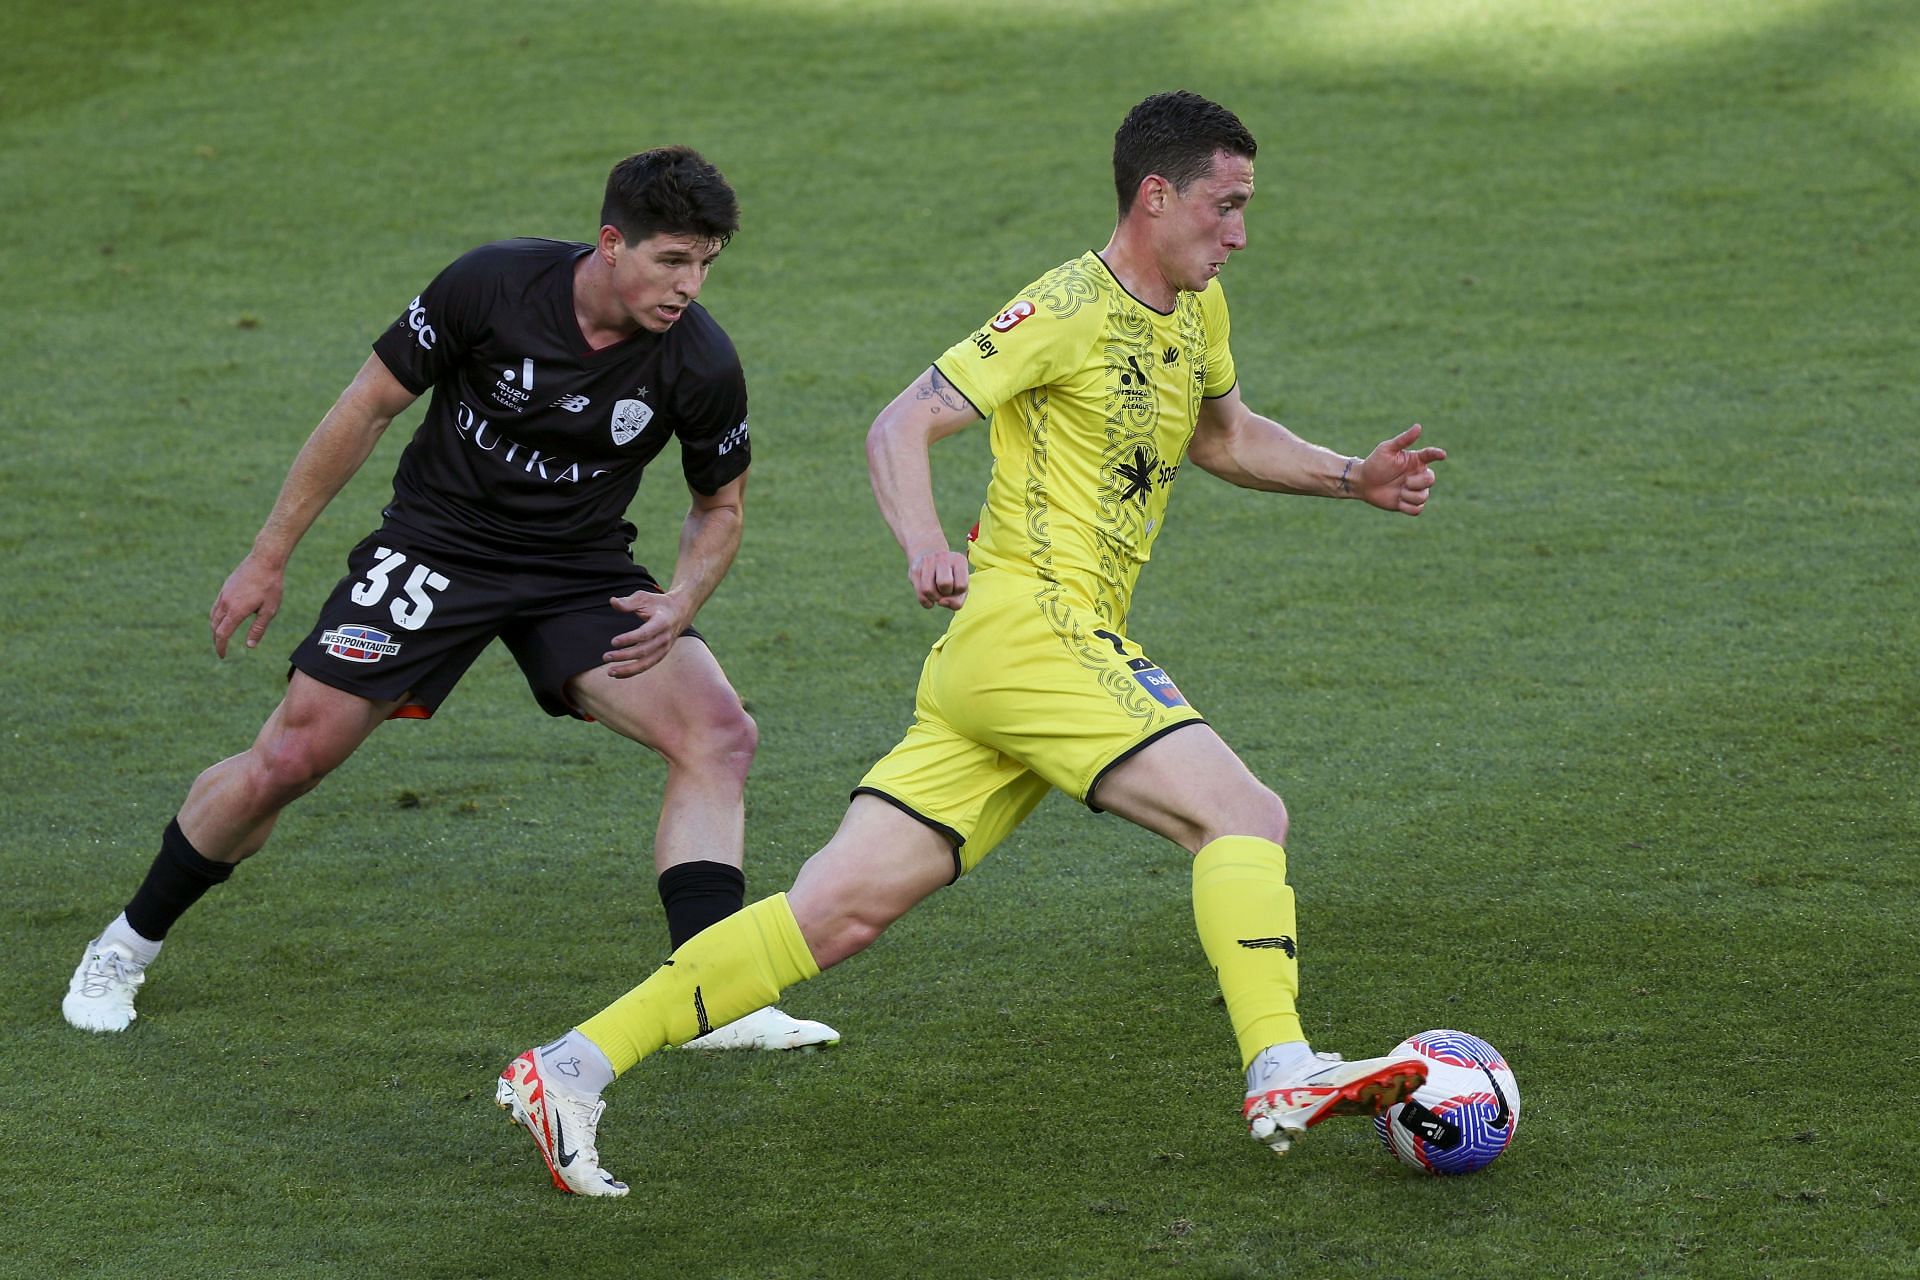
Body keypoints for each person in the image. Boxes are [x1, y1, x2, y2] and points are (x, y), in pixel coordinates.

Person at [496, 92, 1447, 1196]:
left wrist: (1349, 474)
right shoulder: (1063, 306)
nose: (1238, 232)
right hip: (1031, 626)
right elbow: (901, 421)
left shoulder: (1198, 312)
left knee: (835, 910)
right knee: (1243, 814)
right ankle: (1282, 1063)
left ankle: (566, 1066)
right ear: (1156, 195)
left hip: (1007, 668)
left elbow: (1224, 435)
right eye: (1224, 207)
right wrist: (923, 542)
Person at [60, 147, 837, 1053]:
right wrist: (268, 556)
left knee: (719, 735)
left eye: (708, 262)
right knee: (289, 759)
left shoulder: (698, 362)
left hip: (578, 570)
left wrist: (680, 599)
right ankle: (125, 943)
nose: (690, 286)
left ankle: (710, 996)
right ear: (611, 242)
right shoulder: (492, 285)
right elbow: (365, 407)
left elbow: (719, 506)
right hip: (438, 547)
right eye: (673, 260)